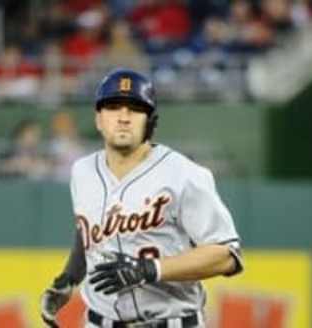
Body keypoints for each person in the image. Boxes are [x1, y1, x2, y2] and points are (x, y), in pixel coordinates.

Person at [40, 68, 243, 328]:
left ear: (150, 120)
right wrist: (68, 279)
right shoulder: (82, 171)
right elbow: (87, 230)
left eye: (135, 109)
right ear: (98, 119)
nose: (123, 117)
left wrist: (149, 269)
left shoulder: (185, 174)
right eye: (113, 107)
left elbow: (226, 255)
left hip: (171, 321)